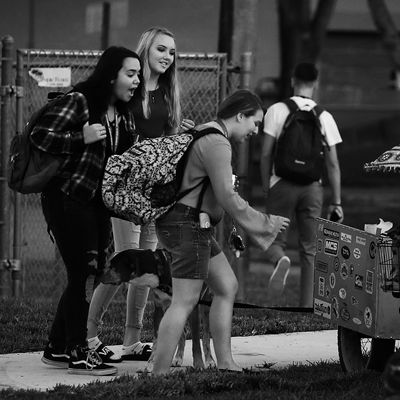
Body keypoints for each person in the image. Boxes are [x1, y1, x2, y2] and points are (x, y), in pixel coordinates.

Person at [151, 89, 290, 375]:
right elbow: (227, 196)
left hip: (188, 225)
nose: (256, 130)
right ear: (240, 115)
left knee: (226, 286)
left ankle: (225, 362)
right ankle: (159, 375)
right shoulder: (217, 143)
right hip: (188, 226)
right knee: (184, 302)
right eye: (255, 122)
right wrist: (267, 223)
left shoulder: (205, 132)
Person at [87, 27, 194, 362]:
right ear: (146, 49)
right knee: (124, 262)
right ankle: (88, 335)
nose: (167, 57)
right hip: (126, 192)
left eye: (172, 52)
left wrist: (183, 133)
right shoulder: (128, 90)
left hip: (155, 195)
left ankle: (131, 341)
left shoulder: (167, 91)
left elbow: (167, 141)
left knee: (146, 268)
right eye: (161, 49)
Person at [36, 46, 142, 375]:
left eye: (138, 74)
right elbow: (40, 135)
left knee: (89, 273)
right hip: (66, 199)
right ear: (111, 75)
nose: (137, 80)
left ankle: (56, 348)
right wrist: (78, 137)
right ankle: (78, 353)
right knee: (82, 273)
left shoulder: (121, 113)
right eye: (130, 73)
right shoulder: (80, 101)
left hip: (95, 203)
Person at [259, 62, 343, 308]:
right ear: (315, 83)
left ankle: (280, 259)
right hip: (312, 188)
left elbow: (265, 154)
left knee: (272, 240)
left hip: (282, 183)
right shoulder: (325, 116)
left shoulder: (276, 110)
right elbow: (333, 164)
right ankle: (307, 307)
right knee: (310, 249)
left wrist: (267, 185)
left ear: (293, 80)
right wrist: (336, 201)